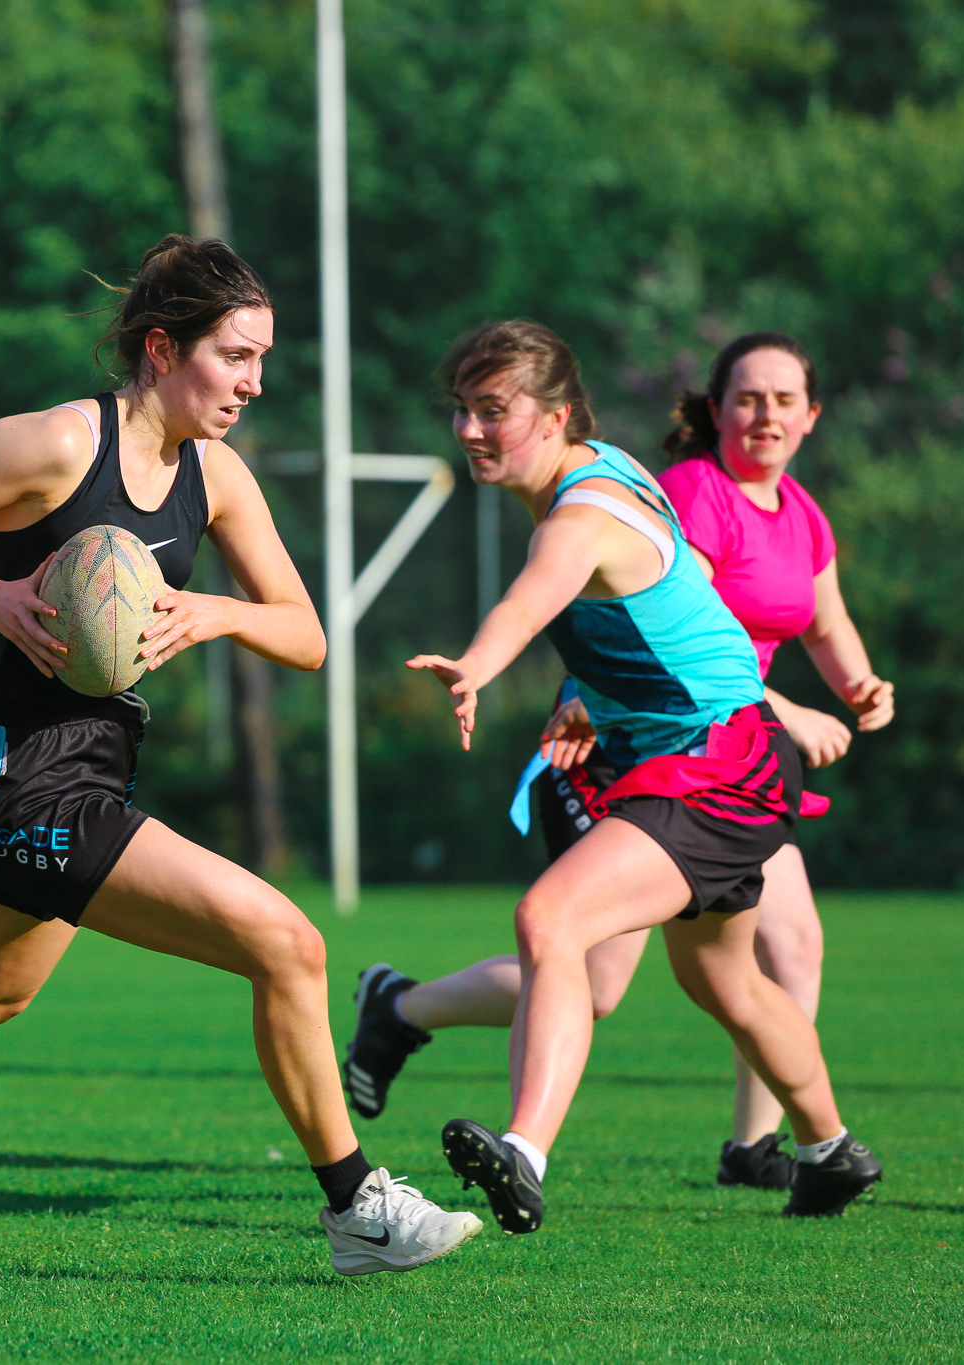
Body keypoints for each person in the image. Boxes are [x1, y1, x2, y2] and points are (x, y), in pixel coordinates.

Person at [0, 236, 483, 1278]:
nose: (252, 383)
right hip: (19, 776)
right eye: (233, 356)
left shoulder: (215, 477)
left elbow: (305, 635)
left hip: (94, 766)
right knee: (287, 944)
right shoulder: (56, 442)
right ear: (160, 347)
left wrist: (213, 613)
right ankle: (357, 1210)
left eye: (261, 359)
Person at [346, 334, 891, 1195]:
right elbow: (675, 623)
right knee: (724, 980)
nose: (472, 429)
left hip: (714, 762)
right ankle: (831, 1150)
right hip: (720, 756)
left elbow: (530, 602)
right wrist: (596, 703)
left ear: (556, 417)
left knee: (551, 919)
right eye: (464, 408)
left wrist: (477, 665)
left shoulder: (579, 513)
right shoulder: (607, 465)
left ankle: (523, 1150)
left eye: (496, 411)